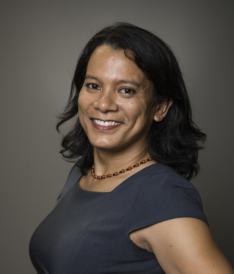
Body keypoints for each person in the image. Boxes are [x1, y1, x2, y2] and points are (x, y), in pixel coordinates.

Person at [29, 22, 234, 274]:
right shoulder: (81, 174)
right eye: (93, 85)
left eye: (126, 90)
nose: (103, 104)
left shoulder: (161, 194)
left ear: (160, 108)